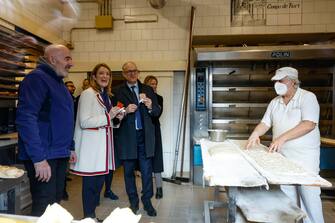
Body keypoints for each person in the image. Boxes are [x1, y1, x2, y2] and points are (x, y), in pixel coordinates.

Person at [246, 67, 324, 223]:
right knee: (288, 200)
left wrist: (282, 138)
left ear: (293, 81)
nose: (277, 83)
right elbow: (265, 123)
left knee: (309, 200)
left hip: (305, 160)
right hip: (282, 159)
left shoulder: (307, 98)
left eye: (281, 80)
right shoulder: (275, 102)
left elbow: (309, 124)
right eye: (276, 81)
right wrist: (255, 133)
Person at [16, 44, 76, 216]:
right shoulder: (37, 79)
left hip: (59, 153)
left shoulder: (60, 84)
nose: (71, 63)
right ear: (52, 59)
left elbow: (64, 118)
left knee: (55, 203)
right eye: (67, 58)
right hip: (44, 155)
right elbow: (26, 118)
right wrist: (38, 158)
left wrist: (69, 146)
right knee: (44, 205)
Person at [70, 63, 124, 220]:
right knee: (90, 187)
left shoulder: (104, 95)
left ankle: (91, 216)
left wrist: (116, 119)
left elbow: (106, 122)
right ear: (93, 76)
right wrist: (109, 116)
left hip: (102, 149)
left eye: (107, 73)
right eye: (101, 73)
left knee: (98, 185)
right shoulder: (88, 94)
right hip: (91, 149)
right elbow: (84, 122)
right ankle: (88, 217)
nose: (105, 76)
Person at [113, 61, 160, 216]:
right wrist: (125, 111)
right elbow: (114, 118)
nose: (132, 74)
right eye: (128, 71)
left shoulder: (147, 89)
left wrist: (151, 106)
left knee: (147, 172)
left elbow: (157, 113)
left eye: (135, 71)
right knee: (128, 173)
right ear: (124, 74)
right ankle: (133, 203)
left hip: (144, 137)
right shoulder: (117, 91)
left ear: (138, 72)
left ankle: (147, 202)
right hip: (127, 138)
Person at [143, 75, 164, 199]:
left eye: (155, 84)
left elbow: (157, 114)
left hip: (154, 130)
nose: (154, 86)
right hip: (143, 131)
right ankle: (146, 188)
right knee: (145, 160)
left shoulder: (159, 98)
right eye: (151, 83)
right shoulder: (140, 98)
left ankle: (159, 188)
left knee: (156, 159)